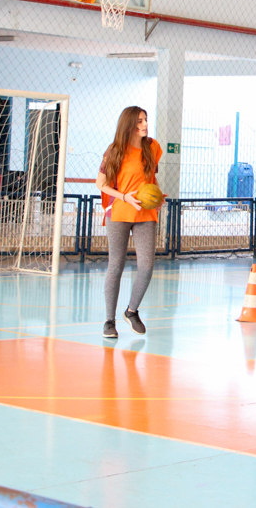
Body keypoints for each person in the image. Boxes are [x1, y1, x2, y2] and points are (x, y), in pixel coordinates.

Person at [95, 106, 164, 339]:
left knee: (147, 266)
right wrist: (124, 197)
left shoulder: (153, 147)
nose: (145, 124)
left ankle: (131, 311)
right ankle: (109, 321)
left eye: (146, 120)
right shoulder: (115, 150)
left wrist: (156, 196)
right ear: (129, 124)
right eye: (140, 121)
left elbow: (149, 178)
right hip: (119, 211)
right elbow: (100, 183)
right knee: (116, 266)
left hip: (145, 214)